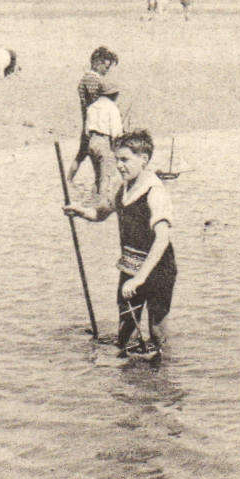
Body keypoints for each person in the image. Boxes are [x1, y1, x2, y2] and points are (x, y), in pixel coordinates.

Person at [64, 129, 179, 361]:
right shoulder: (121, 186)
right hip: (129, 265)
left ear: (143, 159)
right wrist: (80, 211)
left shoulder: (155, 192)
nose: (119, 165)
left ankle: (163, 379)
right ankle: (128, 385)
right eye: (117, 159)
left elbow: (162, 239)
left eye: (125, 160)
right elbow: (101, 213)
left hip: (158, 269)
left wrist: (140, 279)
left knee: (156, 332)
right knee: (125, 333)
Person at [71, 46, 119, 181]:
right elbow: (97, 102)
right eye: (106, 66)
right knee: (99, 164)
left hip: (90, 124)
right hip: (96, 126)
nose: (107, 70)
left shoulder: (88, 78)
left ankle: (69, 182)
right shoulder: (92, 79)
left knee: (82, 156)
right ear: (97, 63)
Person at [82, 85, 124, 204]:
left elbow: (86, 130)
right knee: (106, 177)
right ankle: (102, 206)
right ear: (113, 95)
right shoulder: (112, 107)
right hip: (104, 142)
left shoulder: (91, 107)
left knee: (97, 177)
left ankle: (93, 202)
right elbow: (116, 131)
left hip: (92, 142)